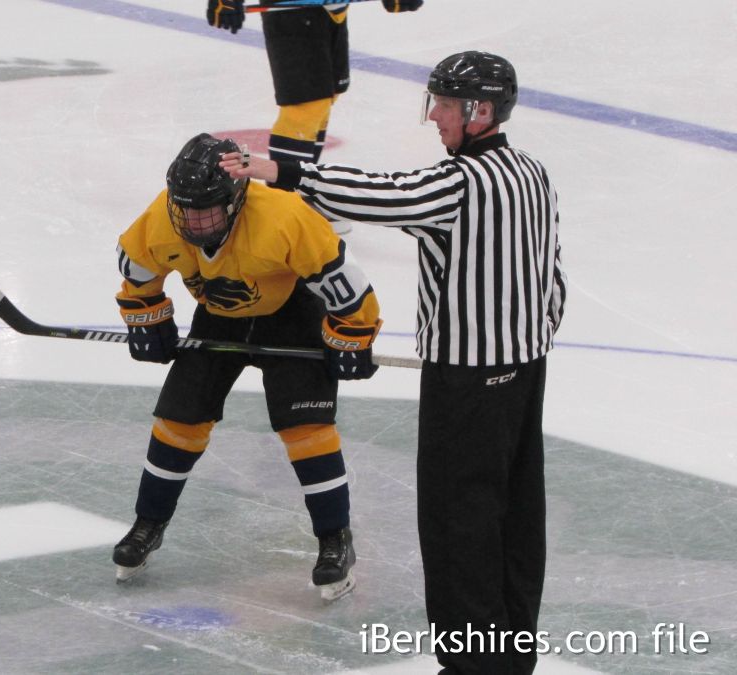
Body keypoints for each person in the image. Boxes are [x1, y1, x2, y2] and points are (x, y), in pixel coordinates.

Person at [223, 52, 567, 673]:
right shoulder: (532, 173)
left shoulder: (459, 184)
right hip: (526, 371)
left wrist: (278, 169)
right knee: (516, 514)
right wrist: (522, 345)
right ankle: (513, 658)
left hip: (466, 382)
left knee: (457, 521)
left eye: (445, 104)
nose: (434, 116)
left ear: (480, 111)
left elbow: (380, 194)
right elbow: (554, 277)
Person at [111, 132, 384, 601]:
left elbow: (346, 284)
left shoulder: (284, 217)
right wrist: (147, 317)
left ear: (236, 198)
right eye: (186, 209)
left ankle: (335, 539)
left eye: (207, 209)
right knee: (179, 419)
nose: (194, 221)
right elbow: (137, 273)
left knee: (307, 430)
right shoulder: (161, 219)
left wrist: (353, 336)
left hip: (292, 316)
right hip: (219, 319)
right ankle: (147, 524)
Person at [206, 0, 422, 177]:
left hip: (332, 11)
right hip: (291, 11)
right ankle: (285, 198)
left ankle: (303, 188)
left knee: (326, 96)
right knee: (308, 105)